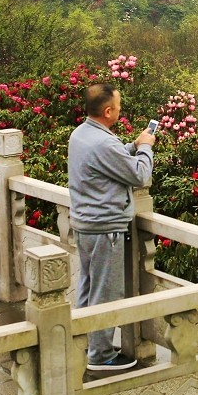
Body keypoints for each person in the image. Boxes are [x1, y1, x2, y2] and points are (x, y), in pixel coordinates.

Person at [68, 82, 155, 371]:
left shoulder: (81, 134)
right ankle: (101, 355)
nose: (120, 110)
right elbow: (140, 175)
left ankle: (80, 341)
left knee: (88, 286)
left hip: (84, 224)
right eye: (118, 107)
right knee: (106, 293)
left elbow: (110, 159)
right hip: (105, 228)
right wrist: (145, 148)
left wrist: (131, 146)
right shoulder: (104, 143)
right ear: (108, 111)